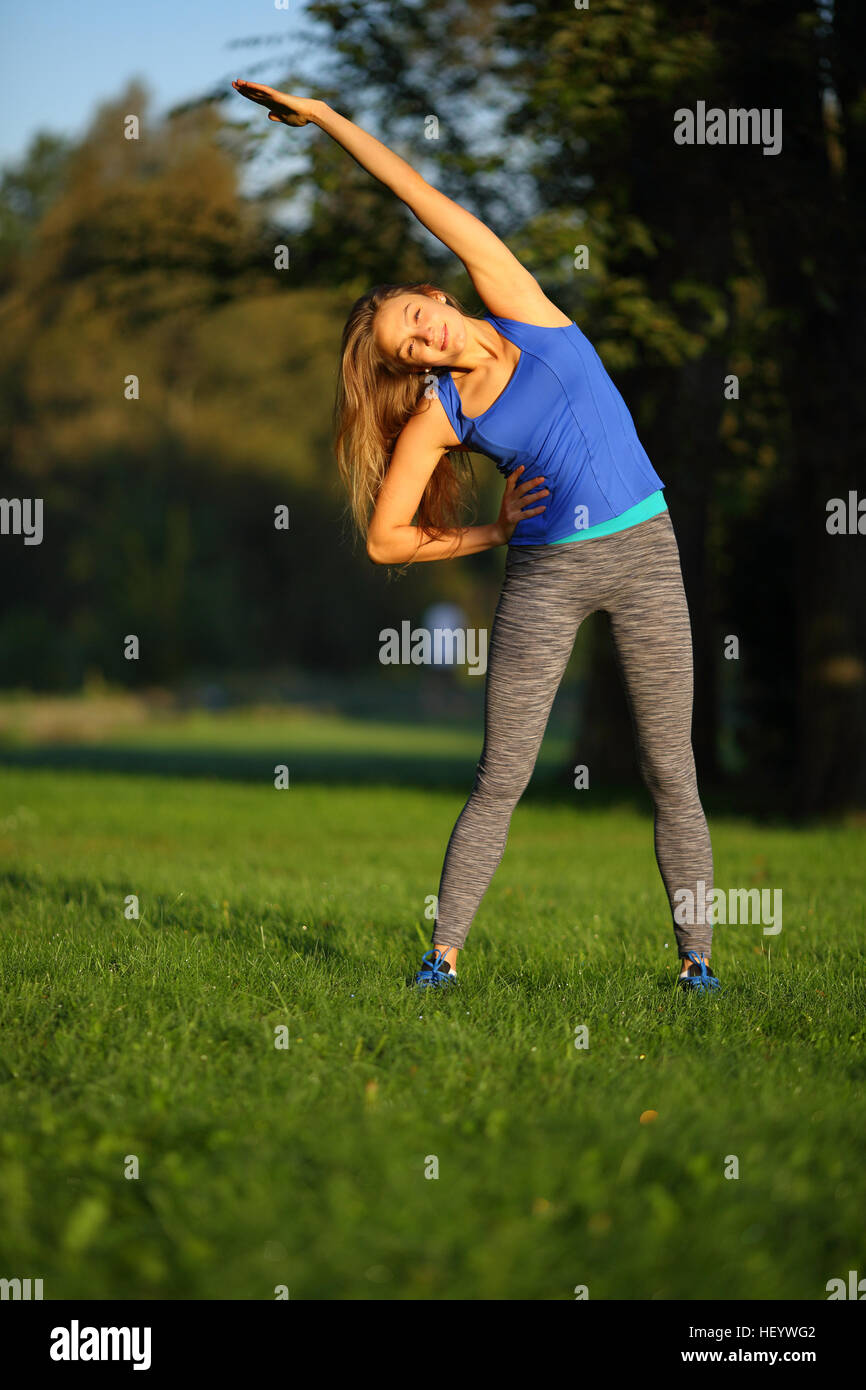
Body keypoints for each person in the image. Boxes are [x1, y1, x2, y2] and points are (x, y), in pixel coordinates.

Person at [232, 80, 721, 995]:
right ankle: (442, 960)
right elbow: (385, 540)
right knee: (502, 774)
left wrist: (329, 119)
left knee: (671, 767)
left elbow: (420, 197)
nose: (422, 341)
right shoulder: (439, 416)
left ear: (435, 293)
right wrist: (489, 531)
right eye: (406, 351)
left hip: (646, 550)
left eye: (416, 319)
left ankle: (697, 963)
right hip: (544, 575)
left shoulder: (525, 309)